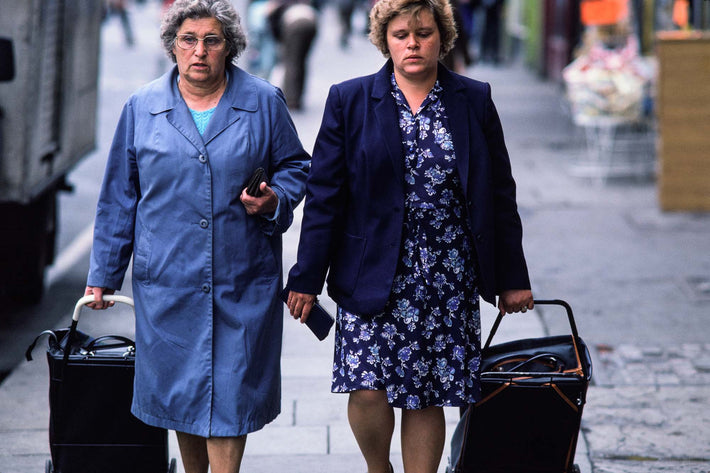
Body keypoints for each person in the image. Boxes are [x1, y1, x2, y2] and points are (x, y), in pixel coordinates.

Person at [284, 0, 533, 471]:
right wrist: (306, 276)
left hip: (447, 275)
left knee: (427, 394)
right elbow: (324, 196)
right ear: (384, 40)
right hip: (370, 271)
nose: (413, 43)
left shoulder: (474, 98)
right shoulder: (350, 99)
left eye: (424, 32)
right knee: (366, 386)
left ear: (443, 37)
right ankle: (380, 468)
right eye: (402, 34)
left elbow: (500, 194)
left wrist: (512, 277)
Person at [84, 1, 310, 472]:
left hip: (242, 277)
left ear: (230, 46)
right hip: (168, 280)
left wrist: (275, 200)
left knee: (229, 397)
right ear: (172, 46)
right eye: (188, 40)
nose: (199, 51)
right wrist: (103, 275)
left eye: (212, 40)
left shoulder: (263, 101)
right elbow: (118, 198)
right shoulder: (142, 107)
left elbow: (296, 166)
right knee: (182, 395)